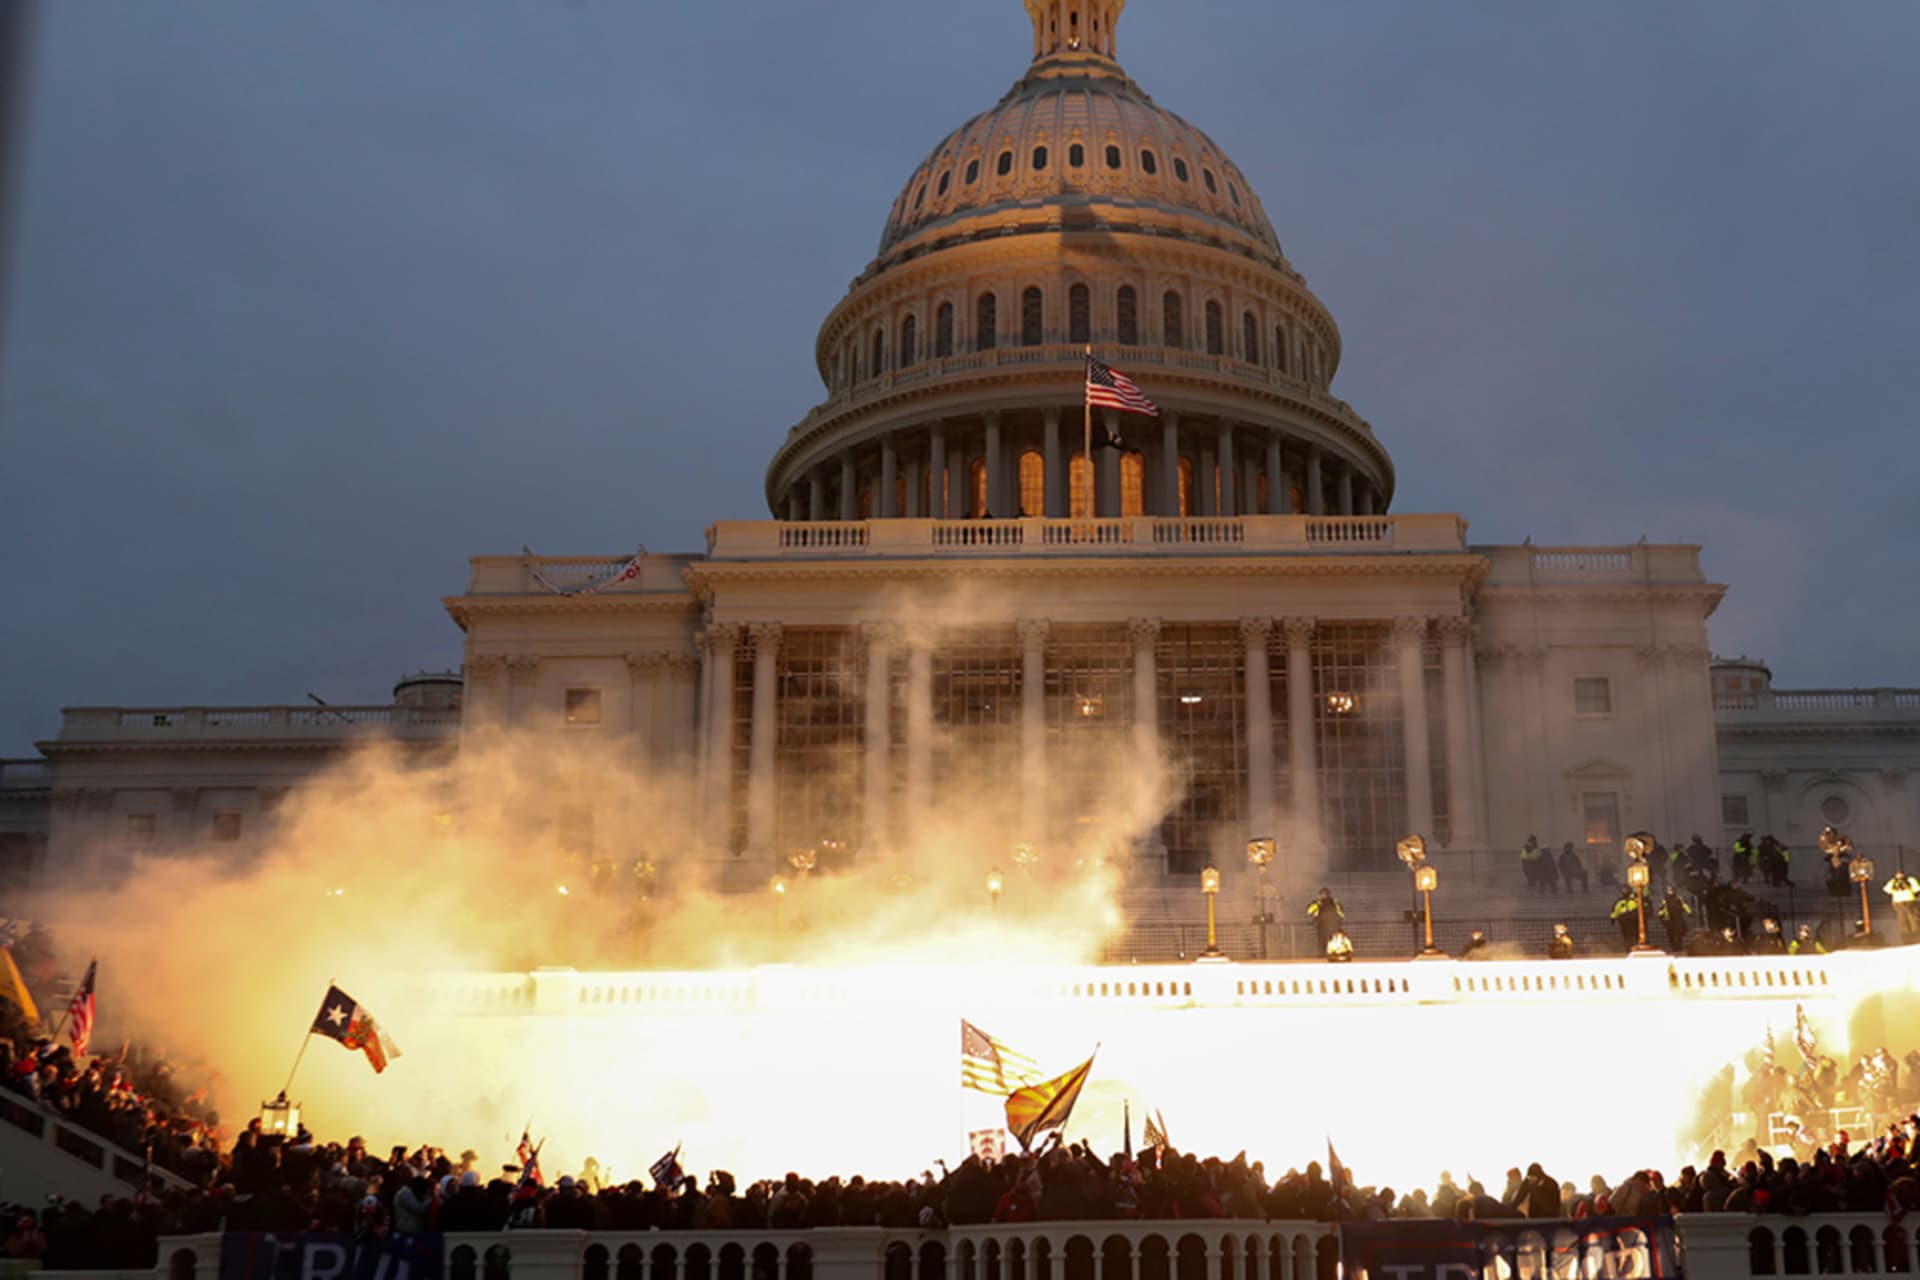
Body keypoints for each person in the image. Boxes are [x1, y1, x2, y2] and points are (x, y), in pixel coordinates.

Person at [1884, 871, 1920, 940]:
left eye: (1901, 875)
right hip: (1898, 903)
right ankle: (1905, 936)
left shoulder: (1910, 880)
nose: (1899, 877)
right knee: (1902, 920)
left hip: (1909, 902)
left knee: (1912, 919)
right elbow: (1887, 890)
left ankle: (1915, 934)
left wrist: (1909, 882)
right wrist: (1893, 882)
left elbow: (1917, 889)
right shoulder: (1894, 882)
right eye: (1898, 875)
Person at [1658, 886, 1692, 952]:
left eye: (1671, 890)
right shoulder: (1665, 900)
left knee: (1679, 933)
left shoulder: (1678, 899)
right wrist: (1661, 915)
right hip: (1669, 919)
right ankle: (1674, 946)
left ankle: (1679, 946)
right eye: (1669, 890)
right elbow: (1662, 908)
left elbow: (1684, 905)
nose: (1670, 892)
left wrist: (1689, 912)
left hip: (1678, 918)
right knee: (1670, 934)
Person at [1611, 886, 1641, 951]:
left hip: (1632, 920)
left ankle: (1634, 948)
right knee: (1627, 936)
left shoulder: (1634, 900)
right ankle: (1629, 949)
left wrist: (1613, 918)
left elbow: (1615, 910)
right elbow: (1615, 910)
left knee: (1633, 935)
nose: (1625, 892)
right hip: (1625, 920)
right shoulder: (1620, 901)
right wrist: (1613, 918)